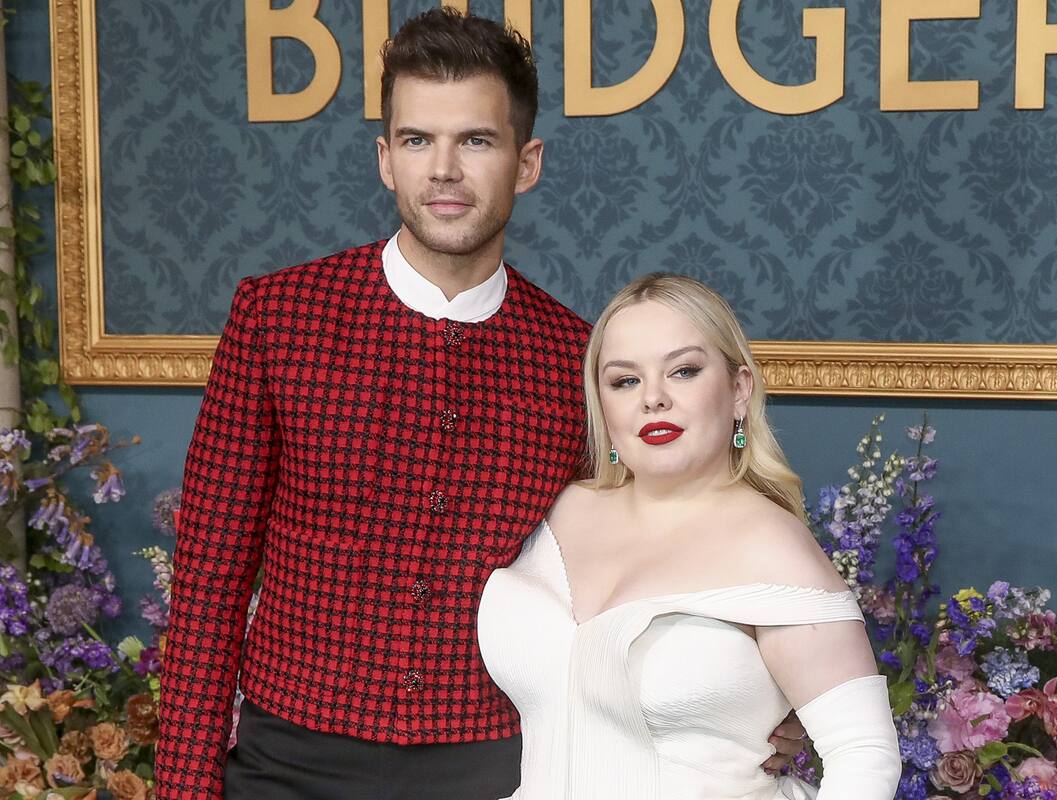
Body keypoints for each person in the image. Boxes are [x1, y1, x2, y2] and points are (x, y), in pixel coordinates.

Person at [155, 10, 804, 800]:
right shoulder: (278, 316)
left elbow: (661, 534)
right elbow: (209, 576)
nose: (444, 171)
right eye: (418, 141)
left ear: (525, 163)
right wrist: (185, 786)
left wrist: (764, 681)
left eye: (477, 141)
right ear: (385, 159)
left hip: (495, 767)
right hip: (288, 760)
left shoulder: (579, 358)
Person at [478, 273, 903, 799]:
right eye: (625, 380)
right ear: (603, 406)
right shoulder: (556, 510)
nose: (654, 399)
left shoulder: (772, 546)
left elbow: (864, 755)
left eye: (683, 371)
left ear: (739, 389)